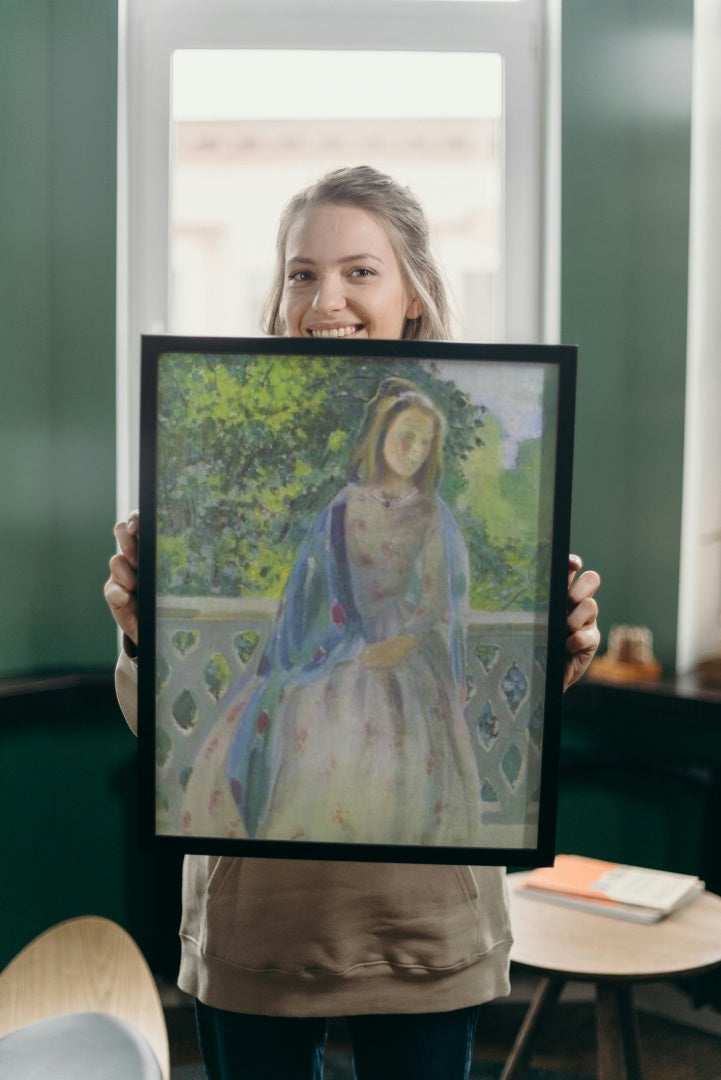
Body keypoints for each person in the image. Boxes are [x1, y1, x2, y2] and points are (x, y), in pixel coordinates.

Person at [105, 165, 601, 1080]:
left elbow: (484, 681)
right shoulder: (305, 499)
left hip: (421, 919)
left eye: (359, 271)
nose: (324, 297)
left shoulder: (449, 505)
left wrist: (553, 652)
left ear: (412, 292)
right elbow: (168, 726)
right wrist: (141, 633)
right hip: (259, 921)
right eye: (301, 272)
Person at [182, 375, 484, 848]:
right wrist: (330, 646)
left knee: (400, 743)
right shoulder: (344, 506)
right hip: (339, 639)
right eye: (407, 436)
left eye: (425, 443)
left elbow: (433, 601)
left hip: (404, 642)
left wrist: (399, 645)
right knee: (305, 711)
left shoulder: (430, 514)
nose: (414, 450)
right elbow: (312, 587)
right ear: (382, 435)